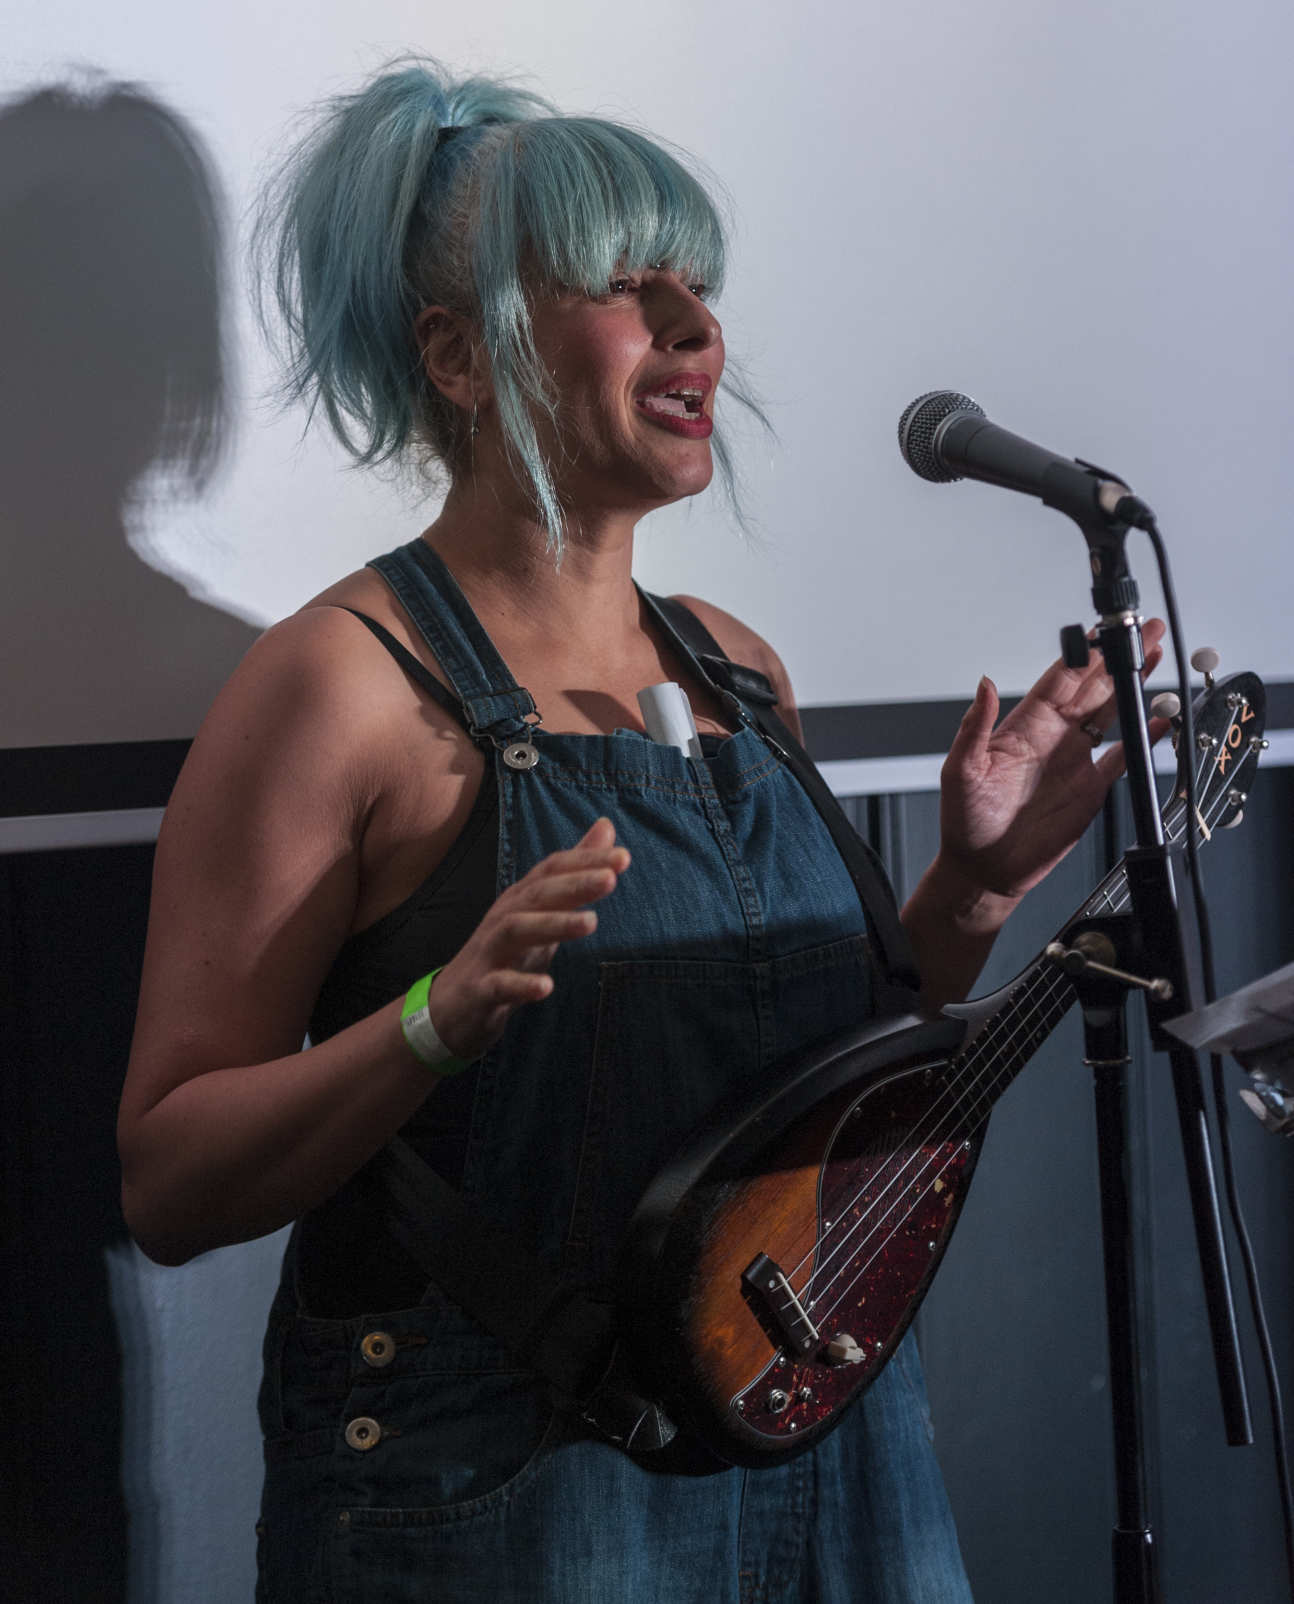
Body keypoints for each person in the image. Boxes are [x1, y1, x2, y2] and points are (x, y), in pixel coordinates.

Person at [118, 60, 1164, 1603]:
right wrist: (425, 1023)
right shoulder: (332, 691)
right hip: (494, 1492)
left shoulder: (736, 666)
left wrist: (977, 883)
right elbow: (168, 1178)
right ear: (459, 359)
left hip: (814, 1449)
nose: (694, 329)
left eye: (698, 285)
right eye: (624, 283)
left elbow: (822, 1102)